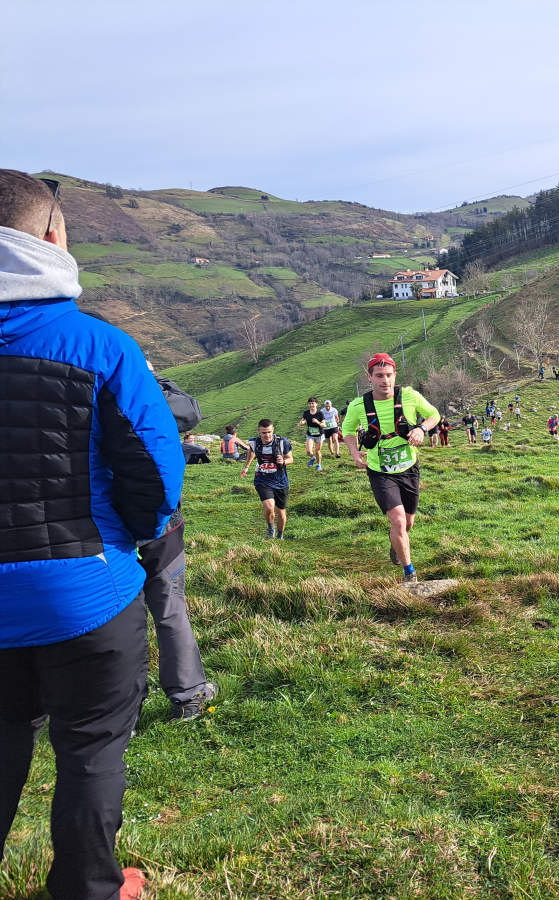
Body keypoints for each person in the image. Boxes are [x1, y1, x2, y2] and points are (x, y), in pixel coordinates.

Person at [0, 169, 184, 900]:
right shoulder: (100, 346)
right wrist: (131, 541)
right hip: (85, 593)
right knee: (90, 751)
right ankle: (89, 889)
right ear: (49, 238)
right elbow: (155, 478)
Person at [144, 373, 218, 722]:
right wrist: (155, 378)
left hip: (95, 523)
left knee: (114, 616)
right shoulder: (133, 385)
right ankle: (188, 695)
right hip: (158, 523)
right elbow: (188, 411)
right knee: (170, 607)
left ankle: (117, 709)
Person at [342, 353, 439, 581]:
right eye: (379, 376)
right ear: (370, 377)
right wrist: (355, 453)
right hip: (380, 472)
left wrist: (421, 429)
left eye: (388, 375)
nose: (384, 380)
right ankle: (409, 572)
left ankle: (395, 542)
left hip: (408, 468)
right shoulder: (359, 406)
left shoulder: (410, 396)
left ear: (395, 375)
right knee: (398, 520)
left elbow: (434, 415)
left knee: (408, 523)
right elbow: (346, 430)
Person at [241, 419, 293, 538]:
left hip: (280, 481)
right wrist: (247, 467)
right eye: (264, 433)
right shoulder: (255, 442)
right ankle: (270, 530)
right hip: (262, 479)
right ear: (259, 432)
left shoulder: (282, 442)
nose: (267, 435)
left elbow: (291, 458)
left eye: (269, 432)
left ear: (273, 430)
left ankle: (280, 536)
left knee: (281, 512)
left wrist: (284, 461)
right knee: (269, 507)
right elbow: (251, 451)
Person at [297, 397, 325, 471]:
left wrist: (317, 422)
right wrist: (301, 423)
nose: (311, 405)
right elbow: (304, 419)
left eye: (313, 403)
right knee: (309, 451)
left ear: (316, 404)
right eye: (310, 403)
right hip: (310, 434)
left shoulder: (320, 413)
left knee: (317, 451)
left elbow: (324, 425)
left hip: (319, 435)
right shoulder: (306, 413)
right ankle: (313, 457)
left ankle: (319, 465)